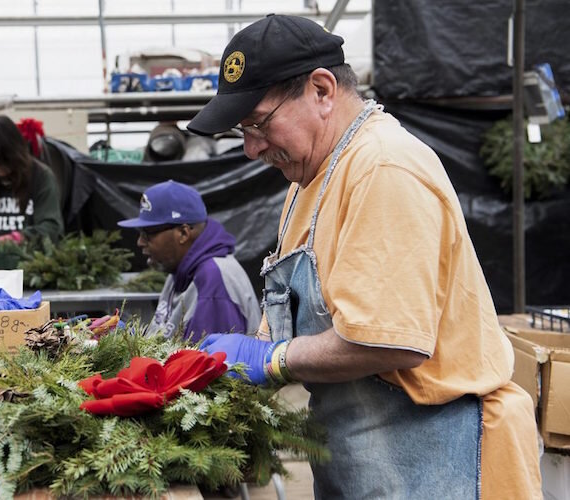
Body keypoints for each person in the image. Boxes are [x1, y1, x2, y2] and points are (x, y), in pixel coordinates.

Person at [188, 14, 541, 499]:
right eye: (241, 132)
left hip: (440, 463)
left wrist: (272, 360)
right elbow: (294, 315)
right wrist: (241, 356)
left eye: (258, 123)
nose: (251, 149)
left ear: (322, 90)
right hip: (372, 464)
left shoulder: (382, 167)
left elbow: (390, 341)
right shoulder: (308, 183)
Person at [118, 180, 261, 343]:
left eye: (148, 233)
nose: (140, 242)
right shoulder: (180, 271)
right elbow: (162, 340)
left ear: (183, 233)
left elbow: (210, 366)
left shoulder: (213, 281)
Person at [0, 115, 64, 252]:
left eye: (2, 162)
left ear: (15, 154)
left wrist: (19, 239)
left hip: (34, 268)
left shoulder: (41, 178)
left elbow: (52, 227)